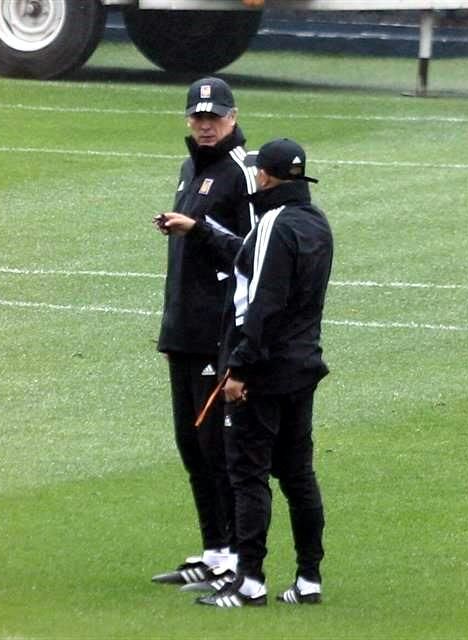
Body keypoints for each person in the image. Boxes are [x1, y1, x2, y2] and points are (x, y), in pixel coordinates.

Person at [190, 138, 332, 607]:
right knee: (298, 474)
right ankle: (309, 579)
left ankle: (249, 581)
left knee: (248, 473)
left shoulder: (273, 222)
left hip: (265, 371)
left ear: (265, 176)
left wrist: (239, 367)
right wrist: (202, 232)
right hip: (303, 364)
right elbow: (258, 265)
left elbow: (263, 302)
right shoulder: (317, 223)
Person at [150, 77, 257, 588]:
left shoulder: (242, 174)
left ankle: (237, 554)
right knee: (190, 444)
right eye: (198, 117)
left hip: (221, 331)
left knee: (217, 446)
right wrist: (171, 330)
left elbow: (255, 252)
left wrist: (199, 229)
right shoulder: (189, 167)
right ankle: (214, 550)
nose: (206, 125)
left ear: (233, 118)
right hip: (186, 331)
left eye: (215, 118)